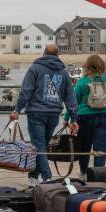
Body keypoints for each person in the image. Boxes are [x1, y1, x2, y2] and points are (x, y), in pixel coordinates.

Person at [11, 44, 78, 185]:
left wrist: (17, 109)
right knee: (42, 145)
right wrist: (73, 117)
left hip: (36, 112)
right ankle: (34, 176)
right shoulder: (64, 72)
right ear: (58, 55)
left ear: (44, 53)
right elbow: (70, 95)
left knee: (39, 146)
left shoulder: (35, 68)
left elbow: (26, 91)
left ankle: (47, 177)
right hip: (53, 113)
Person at [64, 54, 106, 178]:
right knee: (100, 149)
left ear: (87, 67)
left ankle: (84, 174)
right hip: (104, 117)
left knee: (84, 149)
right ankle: (98, 176)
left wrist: (66, 119)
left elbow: (73, 102)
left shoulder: (83, 81)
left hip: (84, 118)